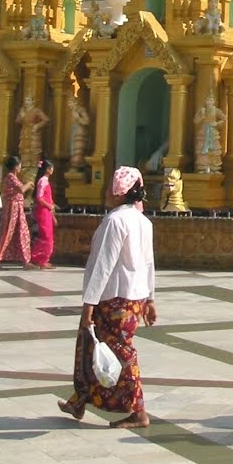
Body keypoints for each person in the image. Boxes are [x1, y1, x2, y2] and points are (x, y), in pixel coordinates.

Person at [58, 165, 157, 427]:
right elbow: (149, 264)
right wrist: (150, 299)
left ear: (118, 192)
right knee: (92, 348)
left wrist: (88, 303)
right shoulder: (143, 222)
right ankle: (79, 400)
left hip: (113, 300)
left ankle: (139, 411)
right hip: (133, 299)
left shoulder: (116, 221)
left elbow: (103, 264)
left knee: (122, 354)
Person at [0, 154, 33, 268]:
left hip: (18, 209)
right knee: (7, 233)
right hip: (11, 208)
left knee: (23, 233)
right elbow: (21, 189)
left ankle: (26, 261)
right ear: (15, 166)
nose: (20, 167)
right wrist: (28, 184)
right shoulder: (10, 177)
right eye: (19, 165)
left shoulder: (15, 178)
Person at [30, 157, 57, 269]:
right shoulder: (43, 181)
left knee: (48, 236)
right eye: (51, 168)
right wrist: (49, 206)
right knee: (45, 236)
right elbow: (39, 198)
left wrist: (53, 214)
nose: (53, 170)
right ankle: (37, 258)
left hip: (46, 212)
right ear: (47, 169)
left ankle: (43, 259)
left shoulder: (45, 181)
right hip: (42, 212)